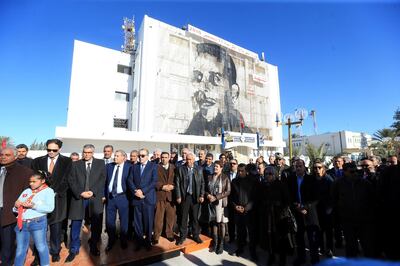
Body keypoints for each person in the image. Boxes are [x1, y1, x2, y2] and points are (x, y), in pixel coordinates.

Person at [185, 42, 252, 136]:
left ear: (233, 94)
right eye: (198, 77)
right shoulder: (191, 130)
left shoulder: (242, 131)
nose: (204, 87)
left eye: (216, 78)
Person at [31, 138, 72, 263]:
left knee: (56, 227)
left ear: (59, 149)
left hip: (58, 199)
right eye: (49, 149)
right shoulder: (38, 161)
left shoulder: (67, 161)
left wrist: (53, 192)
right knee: (39, 229)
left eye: (54, 150)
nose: (51, 152)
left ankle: (55, 252)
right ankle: (38, 255)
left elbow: (67, 180)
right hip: (40, 200)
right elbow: (34, 178)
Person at [66, 144, 106, 262]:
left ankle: (93, 246)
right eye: (84, 152)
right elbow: (71, 180)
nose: (86, 154)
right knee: (76, 224)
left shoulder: (100, 163)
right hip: (79, 198)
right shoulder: (75, 164)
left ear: (93, 153)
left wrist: (92, 191)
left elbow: (102, 179)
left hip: (94, 198)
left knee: (96, 224)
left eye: (89, 152)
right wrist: (80, 192)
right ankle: (74, 249)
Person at [331, 162, 376, 258]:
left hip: (364, 220)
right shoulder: (338, 184)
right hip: (348, 221)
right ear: (344, 172)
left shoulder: (364, 183)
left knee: (367, 246)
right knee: (351, 247)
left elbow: (372, 200)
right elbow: (334, 201)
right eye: (351, 172)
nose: (354, 173)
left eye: (355, 171)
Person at [14, 171, 55, 266]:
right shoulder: (27, 191)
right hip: (22, 222)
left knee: (41, 247)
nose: (31, 184)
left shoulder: (48, 191)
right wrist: (16, 206)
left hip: (37, 222)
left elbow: (50, 208)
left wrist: (34, 206)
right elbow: (16, 207)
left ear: (43, 181)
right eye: (30, 181)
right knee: (20, 248)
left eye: (34, 181)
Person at [0, 147, 32, 266]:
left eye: (7, 155)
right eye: (1, 154)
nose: (3, 157)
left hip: (10, 213)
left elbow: (28, 193)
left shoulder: (25, 172)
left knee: (8, 244)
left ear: (15, 156)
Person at [287, 159, 320, 265]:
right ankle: (301, 258)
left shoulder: (311, 179)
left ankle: (314, 258)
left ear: (304, 167)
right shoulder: (291, 179)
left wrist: (306, 207)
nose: (298, 168)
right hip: (297, 213)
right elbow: (289, 195)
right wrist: (296, 205)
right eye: (296, 166)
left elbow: (316, 197)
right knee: (299, 238)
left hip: (310, 212)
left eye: (300, 166)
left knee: (312, 238)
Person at [260, 166, 291, 266]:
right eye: (266, 174)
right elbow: (260, 200)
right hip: (268, 216)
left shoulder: (281, 185)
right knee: (270, 237)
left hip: (280, 217)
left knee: (281, 238)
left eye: (269, 174)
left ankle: (282, 259)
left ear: (274, 175)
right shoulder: (263, 186)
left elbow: (287, 201)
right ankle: (271, 255)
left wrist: (278, 205)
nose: (267, 176)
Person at [128, 148, 158, 251]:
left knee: (148, 222)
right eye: (139, 155)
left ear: (147, 156)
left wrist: (143, 191)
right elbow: (129, 180)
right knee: (137, 222)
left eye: (142, 155)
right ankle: (139, 241)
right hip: (137, 198)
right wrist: (136, 191)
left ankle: (148, 241)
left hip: (148, 198)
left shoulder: (153, 166)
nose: (140, 157)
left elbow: (154, 181)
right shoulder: (134, 167)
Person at [175, 152, 205, 245]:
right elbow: (177, 183)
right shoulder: (180, 169)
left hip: (195, 197)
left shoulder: (199, 169)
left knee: (195, 218)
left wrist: (202, 195)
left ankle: (195, 235)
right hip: (185, 196)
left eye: (190, 159)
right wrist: (178, 196)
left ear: (194, 160)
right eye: (187, 159)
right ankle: (182, 236)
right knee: (183, 218)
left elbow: (202, 183)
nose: (188, 161)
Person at [105, 150, 132, 252]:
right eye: (114, 156)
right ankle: (111, 240)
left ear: (123, 157)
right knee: (109, 221)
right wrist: (105, 195)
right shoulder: (109, 166)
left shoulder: (129, 167)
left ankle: (123, 240)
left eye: (117, 156)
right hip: (111, 198)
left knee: (124, 221)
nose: (114, 157)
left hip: (123, 198)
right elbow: (105, 181)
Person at [230, 163, 257, 259]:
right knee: (240, 232)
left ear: (246, 171)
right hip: (237, 211)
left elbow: (254, 197)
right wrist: (235, 206)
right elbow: (232, 197)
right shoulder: (234, 181)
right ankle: (240, 248)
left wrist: (246, 208)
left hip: (249, 211)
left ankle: (252, 251)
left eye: (242, 171)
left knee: (251, 232)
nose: (240, 172)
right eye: (239, 171)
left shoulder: (252, 181)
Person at [205, 160, 231, 254]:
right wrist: (208, 195)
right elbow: (206, 189)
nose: (215, 168)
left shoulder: (225, 177)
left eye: (217, 167)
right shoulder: (210, 176)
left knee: (221, 224)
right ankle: (215, 243)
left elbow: (228, 191)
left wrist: (216, 197)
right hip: (212, 203)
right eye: (214, 166)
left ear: (221, 168)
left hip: (221, 204)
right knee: (214, 223)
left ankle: (221, 244)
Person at [313, 159, 334, 258]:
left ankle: (329, 249)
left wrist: (330, 208)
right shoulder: (312, 180)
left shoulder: (328, 179)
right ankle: (320, 247)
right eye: (315, 168)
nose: (317, 169)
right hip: (316, 209)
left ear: (324, 168)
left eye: (319, 167)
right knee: (318, 230)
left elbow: (333, 195)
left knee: (328, 231)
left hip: (327, 209)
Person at [153, 152, 176, 244]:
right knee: (158, 218)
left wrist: (173, 186)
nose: (164, 159)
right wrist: (162, 186)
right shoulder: (155, 167)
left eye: (166, 157)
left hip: (171, 197)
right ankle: (156, 236)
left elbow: (177, 180)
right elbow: (153, 180)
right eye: (162, 157)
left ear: (169, 158)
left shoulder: (174, 167)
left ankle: (169, 234)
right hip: (160, 196)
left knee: (170, 217)